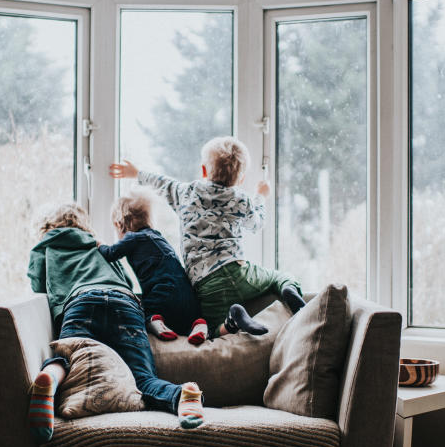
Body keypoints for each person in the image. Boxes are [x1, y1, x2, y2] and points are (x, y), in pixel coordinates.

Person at [26, 203, 204, 443]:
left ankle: (50, 378)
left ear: (47, 226)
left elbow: (38, 286)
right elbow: (126, 280)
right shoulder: (97, 245)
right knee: (141, 378)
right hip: (124, 302)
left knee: (68, 362)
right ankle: (182, 395)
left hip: (81, 302)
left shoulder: (45, 246)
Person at [109, 136, 306, 336]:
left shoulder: (187, 193)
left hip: (205, 283)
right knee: (280, 277)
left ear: (204, 170)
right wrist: (261, 196)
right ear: (241, 178)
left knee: (209, 331)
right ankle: (288, 290)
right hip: (238, 271)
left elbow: (162, 184)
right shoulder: (241, 199)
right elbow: (257, 223)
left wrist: (137, 173)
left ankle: (233, 318)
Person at [99, 190, 266, 344]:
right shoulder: (159, 238)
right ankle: (198, 325)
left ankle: (156, 322)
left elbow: (110, 253)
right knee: (188, 321)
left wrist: (98, 244)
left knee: (143, 309)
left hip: (161, 294)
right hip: (187, 298)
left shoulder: (133, 238)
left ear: (120, 224)